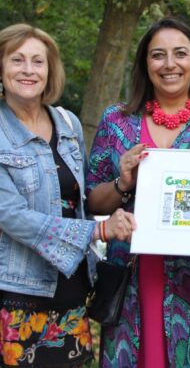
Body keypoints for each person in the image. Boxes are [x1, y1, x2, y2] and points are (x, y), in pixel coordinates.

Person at [86, 16, 190, 367]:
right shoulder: (116, 121)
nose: (170, 64)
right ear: (144, 63)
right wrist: (124, 182)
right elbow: (93, 199)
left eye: (180, 53)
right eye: (158, 55)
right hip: (133, 274)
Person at [0, 24, 134, 367]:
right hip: (16, 295)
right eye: (17, 60)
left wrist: (122, 182)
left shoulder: (68, 124)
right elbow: (11, 215)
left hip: (72, 289)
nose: (29, 70)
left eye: (38, 61)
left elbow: (81, 201)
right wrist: (98, 232)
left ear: (50, 70)